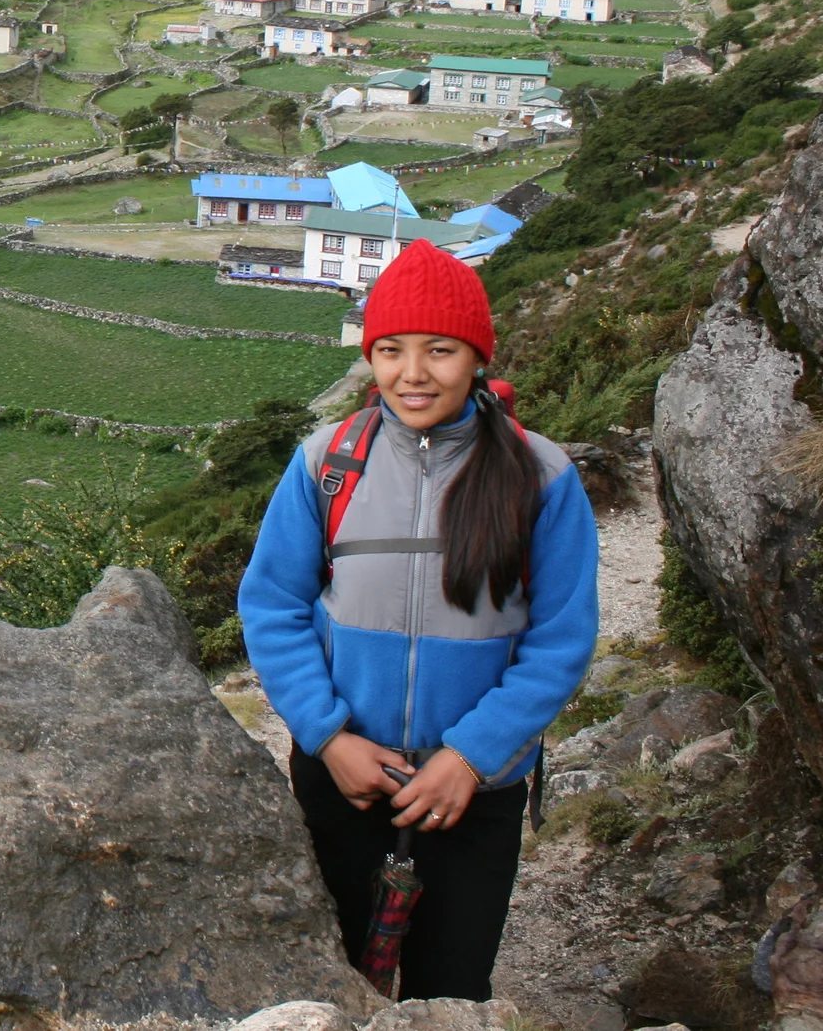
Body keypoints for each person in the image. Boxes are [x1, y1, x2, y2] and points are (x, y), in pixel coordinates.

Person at [239, 240, 599, 1001]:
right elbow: (272, 604)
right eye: (391, 350)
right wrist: (329, 737)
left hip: (474, 790)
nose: (412, 373)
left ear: (475, 355)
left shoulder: (542, 477)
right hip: (346, 781)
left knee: (450, 989)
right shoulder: (326, 463)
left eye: (439, 349)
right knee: (332, 982)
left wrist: (469, 757)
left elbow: (560, 637)